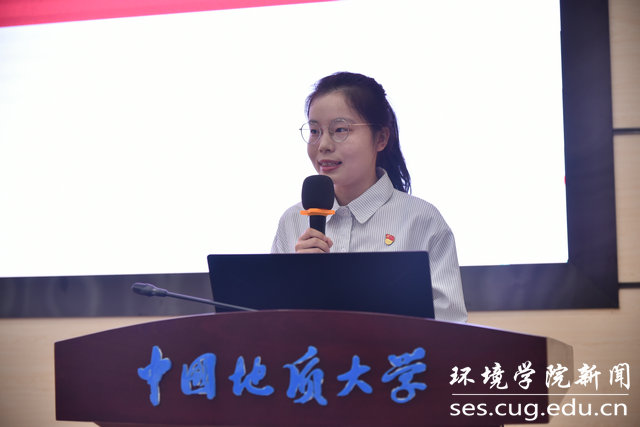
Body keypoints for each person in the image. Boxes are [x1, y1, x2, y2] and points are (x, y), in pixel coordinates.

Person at [271, 72, 467, 323]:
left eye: (340, 130)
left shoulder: (421, 220)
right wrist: (295, 279)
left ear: (381, 138)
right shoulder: (292, 221)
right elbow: (271, 322)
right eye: (314, 131)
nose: (323, 145)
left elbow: (450, 325)